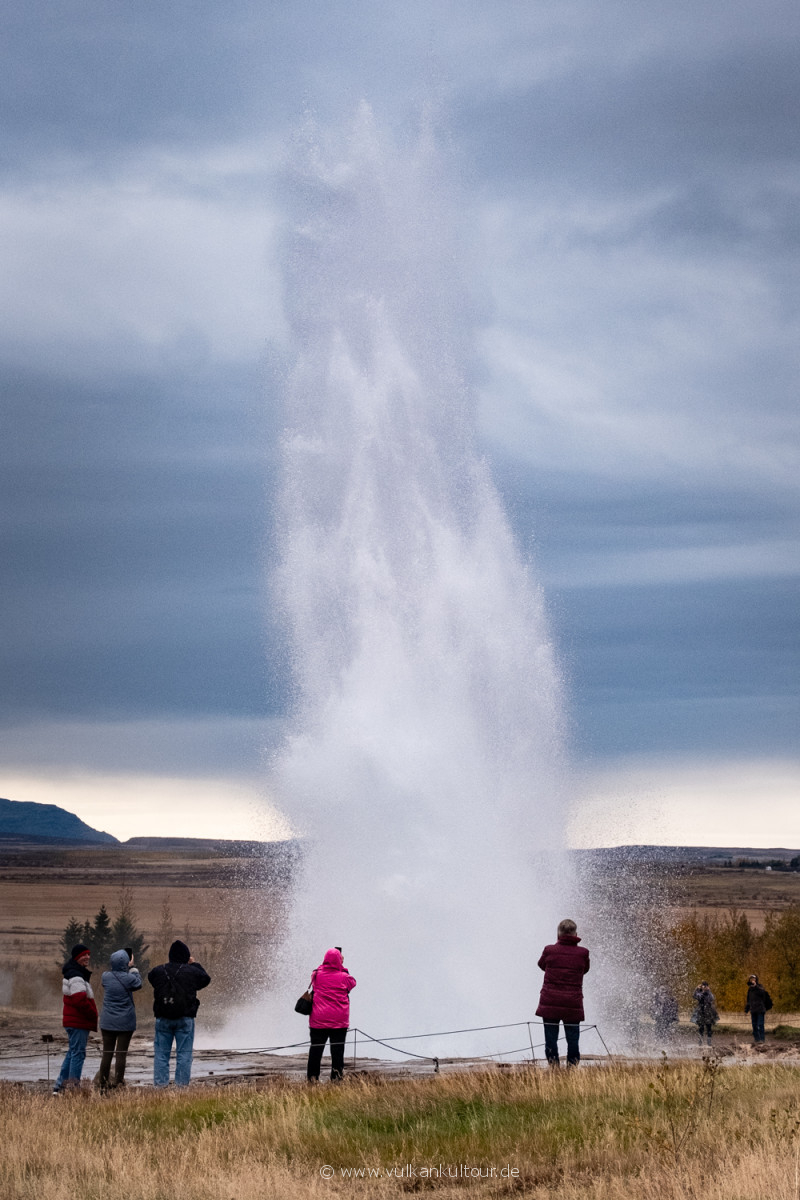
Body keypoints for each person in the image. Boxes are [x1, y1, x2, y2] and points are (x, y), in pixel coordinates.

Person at [148, 940, 211, 1088]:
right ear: (186, 956)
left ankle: (160, 1087)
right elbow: (206, 979)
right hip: (185, 1018)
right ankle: (181, 1088)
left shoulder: (158, 971)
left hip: (163, 1018)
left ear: (170, 956)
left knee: (161, 1054)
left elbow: (151, 978)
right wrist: (193, 964)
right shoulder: (191, 972)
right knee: (184, 1055)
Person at [535, 919, 590, 1067]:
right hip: (572, 1002)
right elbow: (584, 970)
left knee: (551, 1038)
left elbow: (542, 965)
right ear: (575, 933)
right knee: (573, 1038)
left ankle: (554, 1068)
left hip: (550, 1001)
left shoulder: (549, 950)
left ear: (558, 934)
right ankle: (572, 1068)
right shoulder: (583, 953)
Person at [53, 943, 98, 1093]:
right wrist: (93, 1013)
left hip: (74, 1021)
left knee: (72, 1052)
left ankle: (60, 1086)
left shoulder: (74, 972)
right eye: (84, 955)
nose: (87, 957)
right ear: (77, 957)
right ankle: (73, 1088)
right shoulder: (77, 975)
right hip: (79, 1022)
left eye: (88, 954)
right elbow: (80, 999)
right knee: (78, 1054)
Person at [306, 947, 356, 1082]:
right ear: (339, 960)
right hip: (339, 1022)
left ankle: (312, 1079)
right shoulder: (345, 977)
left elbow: (316, 973)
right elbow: (352, 983)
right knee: (338, 1052)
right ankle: (336, 1079)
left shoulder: (316, 975)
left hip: (318, 1020)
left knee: (315, 1051)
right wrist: (342, 967)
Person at [97, 948, 142, 1091]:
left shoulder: (105, 976)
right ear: (126, 962)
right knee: (121, 1054)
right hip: (125, 1023)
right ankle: (118, 1082)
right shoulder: (129, 978)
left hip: (107, 1022)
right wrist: (133, 967)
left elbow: (109, 980)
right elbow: (138, 983)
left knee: (107, 1054)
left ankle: (103, 1084)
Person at [745, 973, 772, 1044]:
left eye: (754, 979)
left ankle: (762, 1040)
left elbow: (762, 993)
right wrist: (746, 1009)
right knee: (754, 1026)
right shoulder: (750, 990)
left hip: (760, 1009)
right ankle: (756, 1040)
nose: (752, 980)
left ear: (756, 980)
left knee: (760, 1025)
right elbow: (748, 1000)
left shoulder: (760, 987)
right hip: (753, 1010)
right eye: (751, 979)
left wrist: (755, 986)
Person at [692, 981, 719, 1045]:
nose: (704, 987)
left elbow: (712, 998)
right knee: (701, 1027)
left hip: (708, 1012)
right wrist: (697, 989)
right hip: (701, 1011)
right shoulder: (699, 992)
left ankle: (709, 1041)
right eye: (703, 986)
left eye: (705, 986)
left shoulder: (709, 993)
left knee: (709, 1027)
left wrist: (708, 991)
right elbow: (695, 996)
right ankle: (700, 1041)